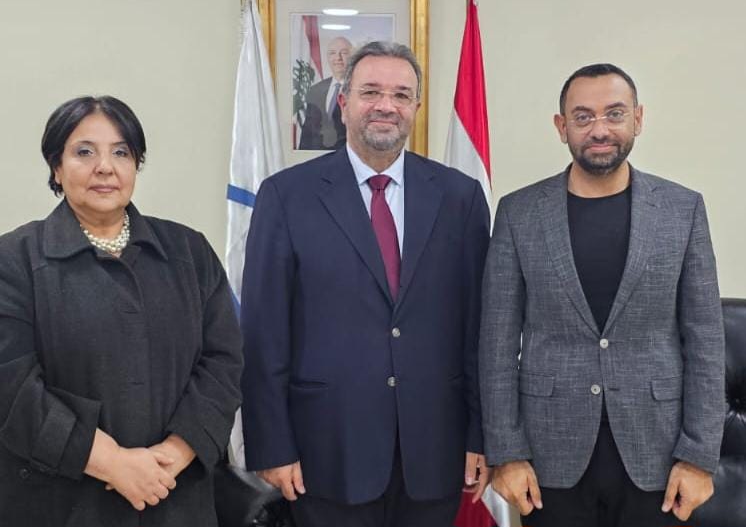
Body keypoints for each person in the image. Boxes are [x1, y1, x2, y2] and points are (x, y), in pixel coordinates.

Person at [241, 41, 491, 527]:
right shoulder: (287, 196)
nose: (386, 105)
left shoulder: (460, 198)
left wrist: (482, 435)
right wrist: (272, 445)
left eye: (401, 95)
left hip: (435, 450)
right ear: (344, 102)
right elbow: (263, 332)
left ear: (416, 106)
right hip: (325, 450)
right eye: (371, 91)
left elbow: (479, 328)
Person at [479, 63, 725, 527]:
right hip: (548, 458)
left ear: (638, 118)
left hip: (659, 457)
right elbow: (496, 344)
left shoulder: (683, 209)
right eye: (583, 116)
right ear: (561, 126)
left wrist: (698, 457)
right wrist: (507, 453)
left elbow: (706, 342)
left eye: (614, 114)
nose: (600, 130)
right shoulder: (518, 214)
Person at [0, 96, 243, 526]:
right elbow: (12, 388)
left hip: (176, 497)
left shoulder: (190, 252)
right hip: (61, 503)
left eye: (121, 152)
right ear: (56, 167)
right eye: (84, 152)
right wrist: (111, 462)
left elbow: (224, 363)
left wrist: (173, 455)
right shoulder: (14, 259)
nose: (105, 167)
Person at [298, 36, 352, 150]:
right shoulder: (315, 90)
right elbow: (307, 135)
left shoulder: (360, 91)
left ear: (352, 57)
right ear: (327, 58)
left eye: (344, 53)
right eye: (332, 53)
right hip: (317, 157)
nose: (338, 58)